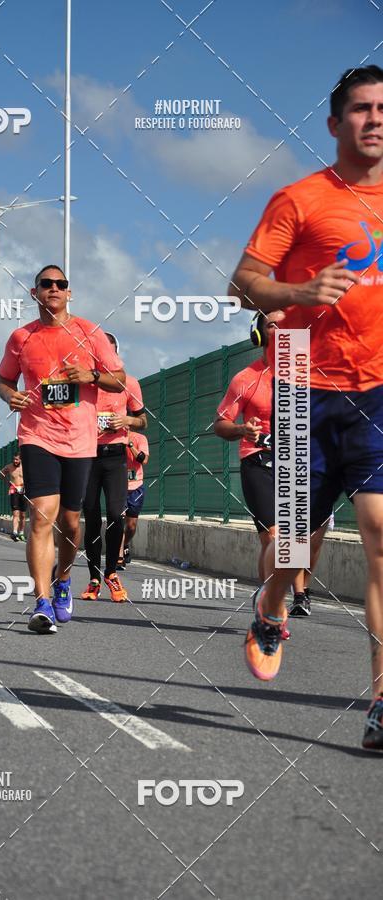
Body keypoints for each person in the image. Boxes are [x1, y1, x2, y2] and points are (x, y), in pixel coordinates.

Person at [229, 65, 383, 750]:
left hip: (379, 389)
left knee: (382, 536)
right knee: (293, 545)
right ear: (335, 123)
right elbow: (245, 285)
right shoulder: (300, 199)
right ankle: (270, 605)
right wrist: (300, 292)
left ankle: (381, 701)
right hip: (303, 383)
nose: (375, 119)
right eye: (360, 109)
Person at [0, 264, 125, 634]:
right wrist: (10, 396)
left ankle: (64, 579)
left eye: (61, 284)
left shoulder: (90, 333)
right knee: (42, 516)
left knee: (71, 523)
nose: (54, 288)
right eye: (46, 284)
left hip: (81, 441)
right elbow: (4, 379)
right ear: (35, 293)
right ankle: (41, 603)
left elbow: (119, 379)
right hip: (37, 435)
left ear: (70, 293)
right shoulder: (21, 337)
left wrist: (91, 376)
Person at [214, 313, 317, 622]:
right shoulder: (245, 379)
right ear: (259, 334)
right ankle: (270, 606)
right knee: (272, 537)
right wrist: (242, 430)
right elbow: (221, 424)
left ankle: (297, 593)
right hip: (257, 460)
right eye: (273, 323)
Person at [81, 333, 146, 602]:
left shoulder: (129, 383)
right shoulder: (84, 384)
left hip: (115, 455)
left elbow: (143, 420)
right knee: (92, 517)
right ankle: (94, 578)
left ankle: (111, 572)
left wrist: (126, 421)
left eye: (109, 352)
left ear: (116, 355)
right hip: (85, 455)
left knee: (116, 515)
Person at [117, 430, 150, 570]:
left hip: (136, 487)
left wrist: (130, 444)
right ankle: (119, 558)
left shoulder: (139, 438)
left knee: (131, 526)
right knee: (119, 520)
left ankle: (125, 544)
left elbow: (144, 459)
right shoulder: (113, 438)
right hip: (118, 486)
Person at [0, 453, 26, 540]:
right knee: (15, 513)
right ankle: (14, 532)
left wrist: (25, 486)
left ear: (21, 460)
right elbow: (1, 473)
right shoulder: (9, 467)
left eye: (17, 459)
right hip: (14, 490)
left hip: (23, 491)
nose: (15, 461)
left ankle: (21, 533)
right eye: (14, 459)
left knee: (23, 515)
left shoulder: (25, 467)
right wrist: (6, 480)